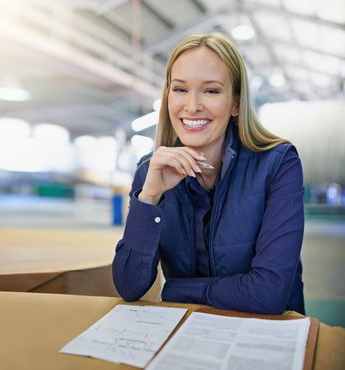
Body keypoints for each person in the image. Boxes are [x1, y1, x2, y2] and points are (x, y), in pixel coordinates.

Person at [112, 33, 305, 315]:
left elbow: (269, 293)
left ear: (236, 103)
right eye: (179, 89)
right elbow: (129, 286)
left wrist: (176, 290)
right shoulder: (151, 170)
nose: (191, 106)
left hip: (266, 333)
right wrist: (150, 197)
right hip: (189, 334)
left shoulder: (277, 164)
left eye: (211, 91)